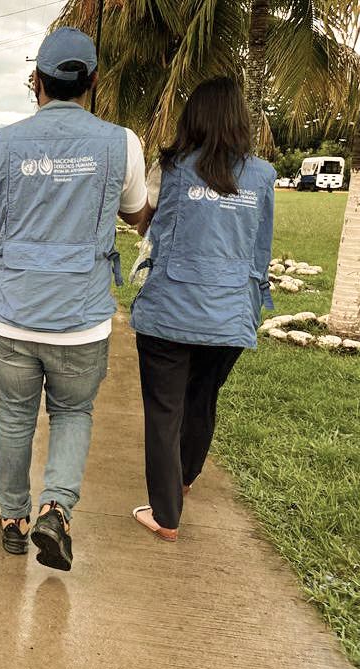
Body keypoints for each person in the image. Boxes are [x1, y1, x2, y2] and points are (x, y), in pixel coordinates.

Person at [0, 27, 148, 570]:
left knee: (15, 417)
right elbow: (137, 213)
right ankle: (55, 510)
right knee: (72, 414)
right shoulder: (122, 143)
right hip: (82, 320)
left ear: (36, 81)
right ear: (91, 82)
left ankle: (12, 519)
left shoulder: (1, 143)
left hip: (15, 316)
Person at [129, 78, 276, 542]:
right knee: (202, 400)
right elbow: (260, 248)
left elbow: (144, 220)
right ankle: (185, 479)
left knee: (164, 409)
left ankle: (166, 515)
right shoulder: (264, 176)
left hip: (169, 310)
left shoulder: (170, 167)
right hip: (232, 312)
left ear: (192, 117)